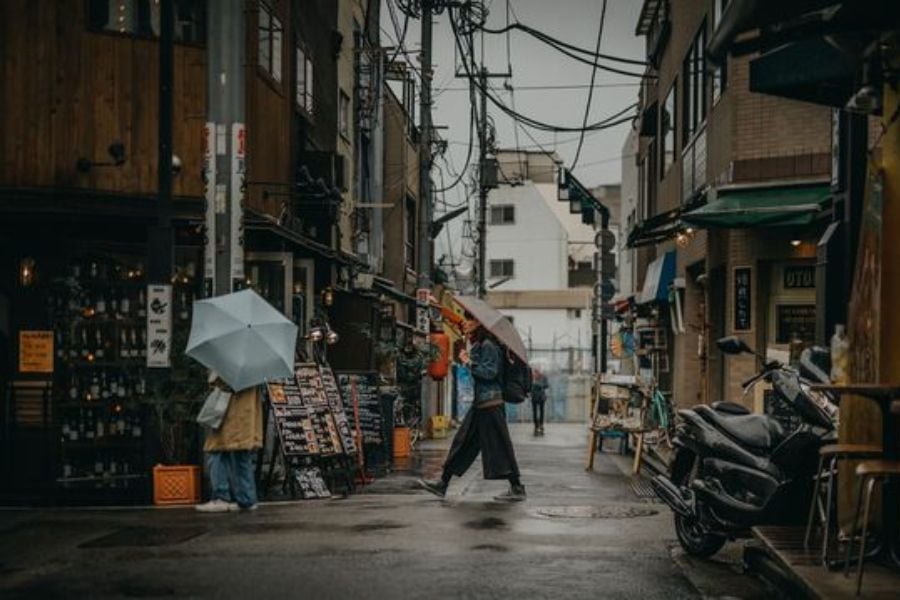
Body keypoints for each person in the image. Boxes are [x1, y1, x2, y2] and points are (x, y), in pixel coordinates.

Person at [418, 317, 526, 502]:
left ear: (479, 323)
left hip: (490, 404)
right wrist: (469, 356)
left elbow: (489, 373)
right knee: (462, 443)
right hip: (482, 404)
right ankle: (443, 484)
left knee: (499, 446)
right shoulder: (481, 344)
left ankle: (517, 488)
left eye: (469, 320)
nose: (465, 323)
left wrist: (468, 362)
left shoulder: (489, 345)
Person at [196, 372, 264, 512]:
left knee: (216, 450)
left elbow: (223, 383)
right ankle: (247, 499)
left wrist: (213, 377)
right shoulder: (256, 366)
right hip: (247, 413)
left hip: (229, 412)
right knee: (241, 454)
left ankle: (220, 497)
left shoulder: (232, 362)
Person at [531, 369, 549, 436]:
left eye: (538, 370)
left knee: (541, 412)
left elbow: (547, 385)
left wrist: (539, 385)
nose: (536, 372)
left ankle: (541, 424)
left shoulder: (544, 377)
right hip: (534, 396)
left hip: (541, 397)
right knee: (535, 412)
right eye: (535, 371)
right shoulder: (532, 377)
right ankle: (536, 425)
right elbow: (530, 386)